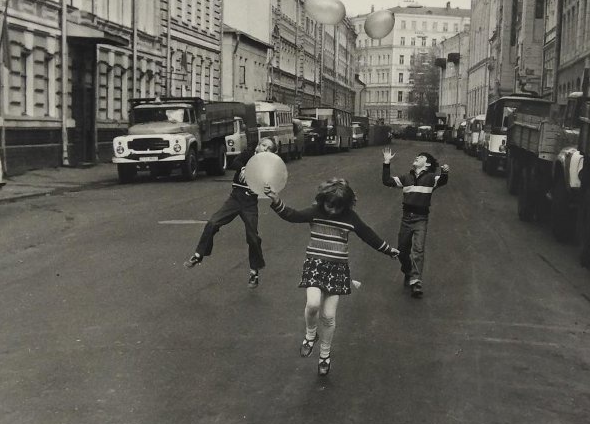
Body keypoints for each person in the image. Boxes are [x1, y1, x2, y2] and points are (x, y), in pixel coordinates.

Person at [263, 179, 399, 376]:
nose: (333, 210)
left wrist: (388, 250)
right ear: (322, 200)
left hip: (338, 269)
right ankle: (310, 336)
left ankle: (324, 355)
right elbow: (292, 215)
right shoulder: (315, 212)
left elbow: (368, 234)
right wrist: (276, 201)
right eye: (329, 205)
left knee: (328, 316)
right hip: (315, 265)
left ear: (345, 205)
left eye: (338, 207)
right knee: (313, 304)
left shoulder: (350, 217)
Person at [183, 137, 277, 288]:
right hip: (235, 198)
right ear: (258, 145)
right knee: (213, 223)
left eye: (269, 149)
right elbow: (234, 163)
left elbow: (270, 184)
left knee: (253, 237)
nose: (265, 149)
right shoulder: (248, 155)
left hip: (250, 203)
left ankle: (254, 272)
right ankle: (198, 255)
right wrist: (245, 168)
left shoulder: (269, 165)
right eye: (264, 145)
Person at [381, 147, 449, 298]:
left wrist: (445, 172)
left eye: (421, 157)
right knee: (402, 251)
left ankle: (416, 282)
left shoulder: (431, 178)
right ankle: (408, 270)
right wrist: (386, 162)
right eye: (417, 156)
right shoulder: (406, 178)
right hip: (406, 219)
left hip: (421, 220)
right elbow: (387, 181)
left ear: (428, 164)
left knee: (418, 250)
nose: (417, 157)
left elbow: (442, 180)